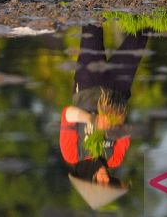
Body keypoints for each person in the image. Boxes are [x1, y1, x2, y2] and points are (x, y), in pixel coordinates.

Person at [60, 24, 147, 209]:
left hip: (88, 84)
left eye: (99, 181)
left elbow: (68, 114)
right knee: (141, 35)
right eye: (108, 182)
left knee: (92, 26)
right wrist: (114, 126)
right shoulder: (114, 159)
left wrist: (93, 120)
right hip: (118, 90)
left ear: (89, 179)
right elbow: (128, 130)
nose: (105, 178)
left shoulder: (72, 154)